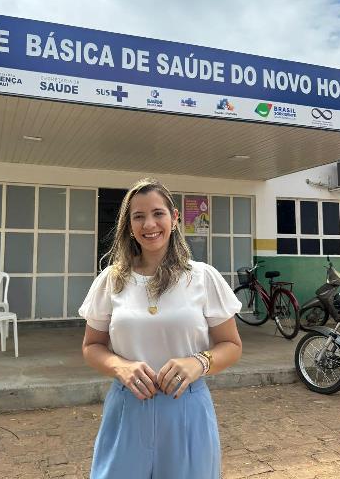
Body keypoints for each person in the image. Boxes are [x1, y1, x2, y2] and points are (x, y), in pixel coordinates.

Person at [79, 178, 242, 479]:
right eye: (138, 216)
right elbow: (92, 347)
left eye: (158, 213)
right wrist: (120, 367)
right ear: (129, 226)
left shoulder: (203, 278)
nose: (149, 224)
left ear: (174, 218)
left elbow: (231, 345)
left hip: (187, 409)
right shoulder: (111, 280)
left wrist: (199, 362)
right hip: (127, 409)